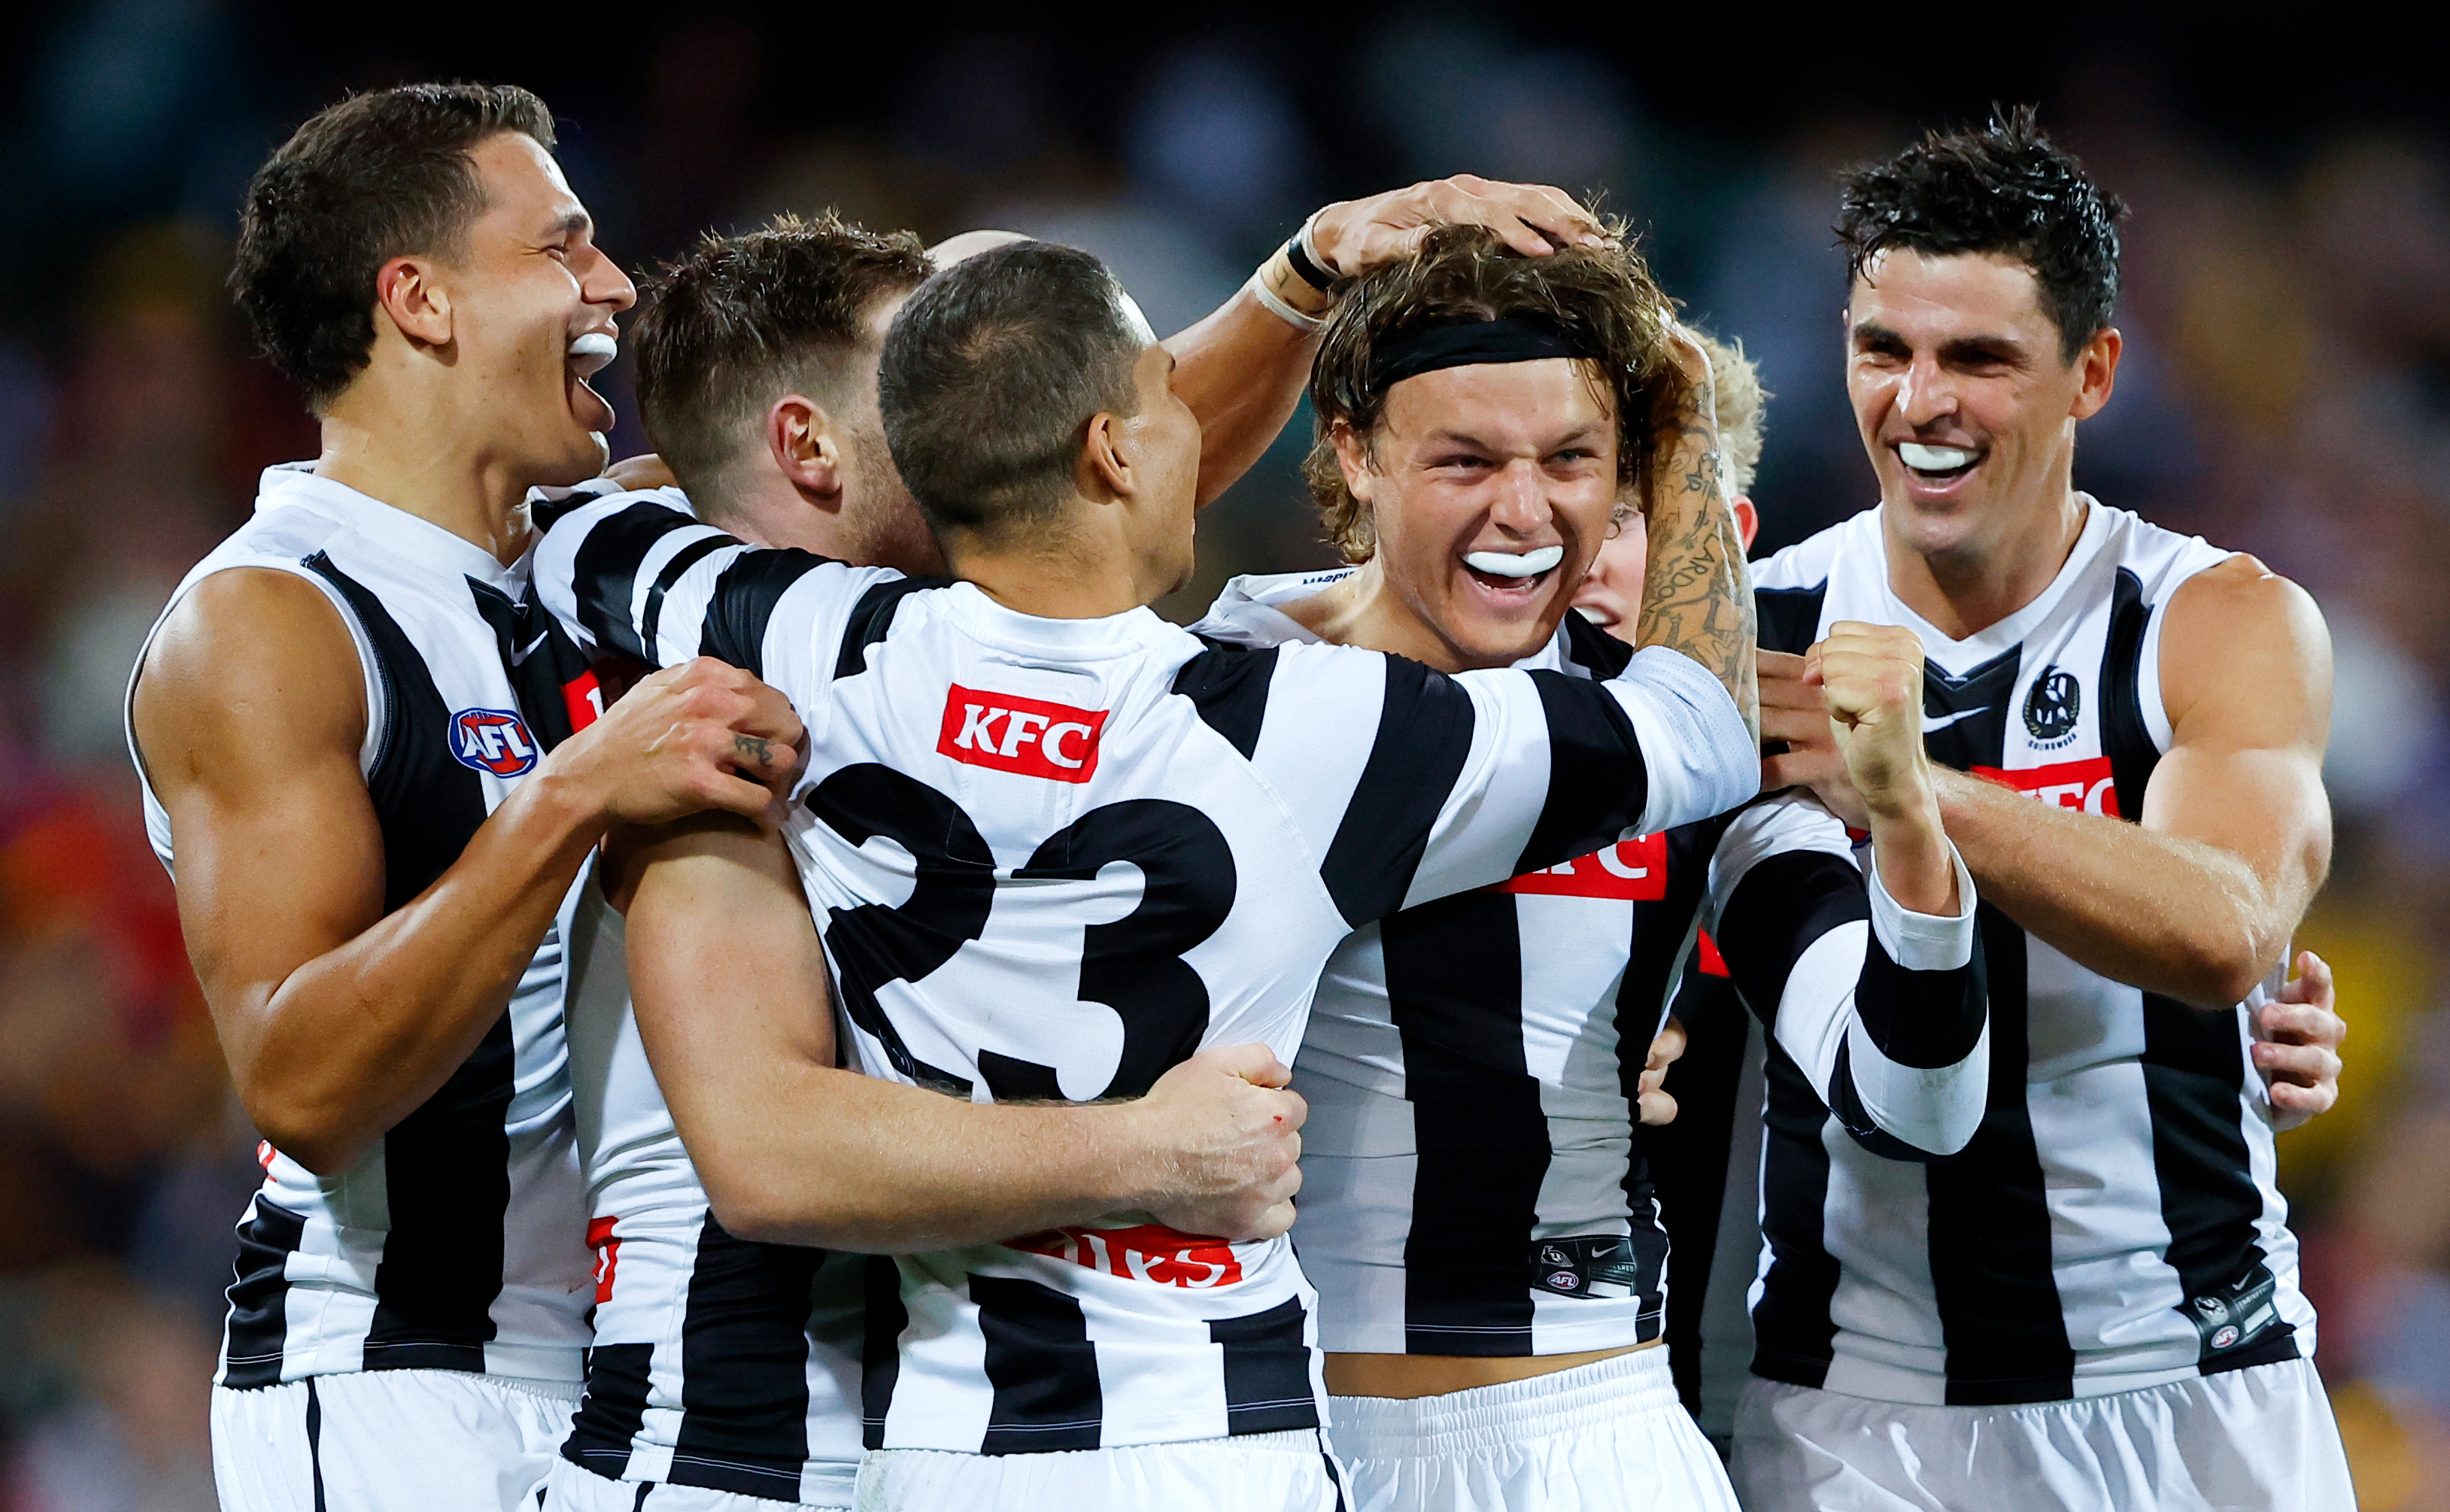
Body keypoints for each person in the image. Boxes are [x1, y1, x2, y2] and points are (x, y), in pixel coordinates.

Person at [530, 236, 1758, 1510]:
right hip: (1207, 1428)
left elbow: (578, 536)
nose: (1199, 434)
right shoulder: (1306, 723)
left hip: (935, 1446)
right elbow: (1701, 732)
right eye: (1170, 399)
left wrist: (650, 473)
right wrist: (1683, 439)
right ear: (1113, 451)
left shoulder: (812, 644)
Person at [1190, 232, 1990, 1512]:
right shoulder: (1218, 690)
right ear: (1354, 452)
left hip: (1592, 1438)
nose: (1525, 515)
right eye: (1465, 460)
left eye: (1573, 463)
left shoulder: (1703, 760)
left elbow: (1914, 1103)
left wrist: (1905, 819)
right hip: (1263, 1436)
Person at [123, 83, 811, 1511]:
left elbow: (1012, 463)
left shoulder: (600, 551)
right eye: (561, 247)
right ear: (419, 300)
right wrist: (569, 799)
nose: (613, 285)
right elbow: (303, 1084)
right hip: (402, 1383)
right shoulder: (271, 620)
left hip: (642, 1378)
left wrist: (1284, 294)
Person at [1735, 108, 2355, 1509]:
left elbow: (2224, 931)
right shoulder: (1752, 632)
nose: (1919, 403)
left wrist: (1911, 789)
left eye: (1978, 360)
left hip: (2189, 1387)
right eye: (1882, 351)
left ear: (2092, 374)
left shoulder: (2214, 620)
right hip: (1855, 1417)